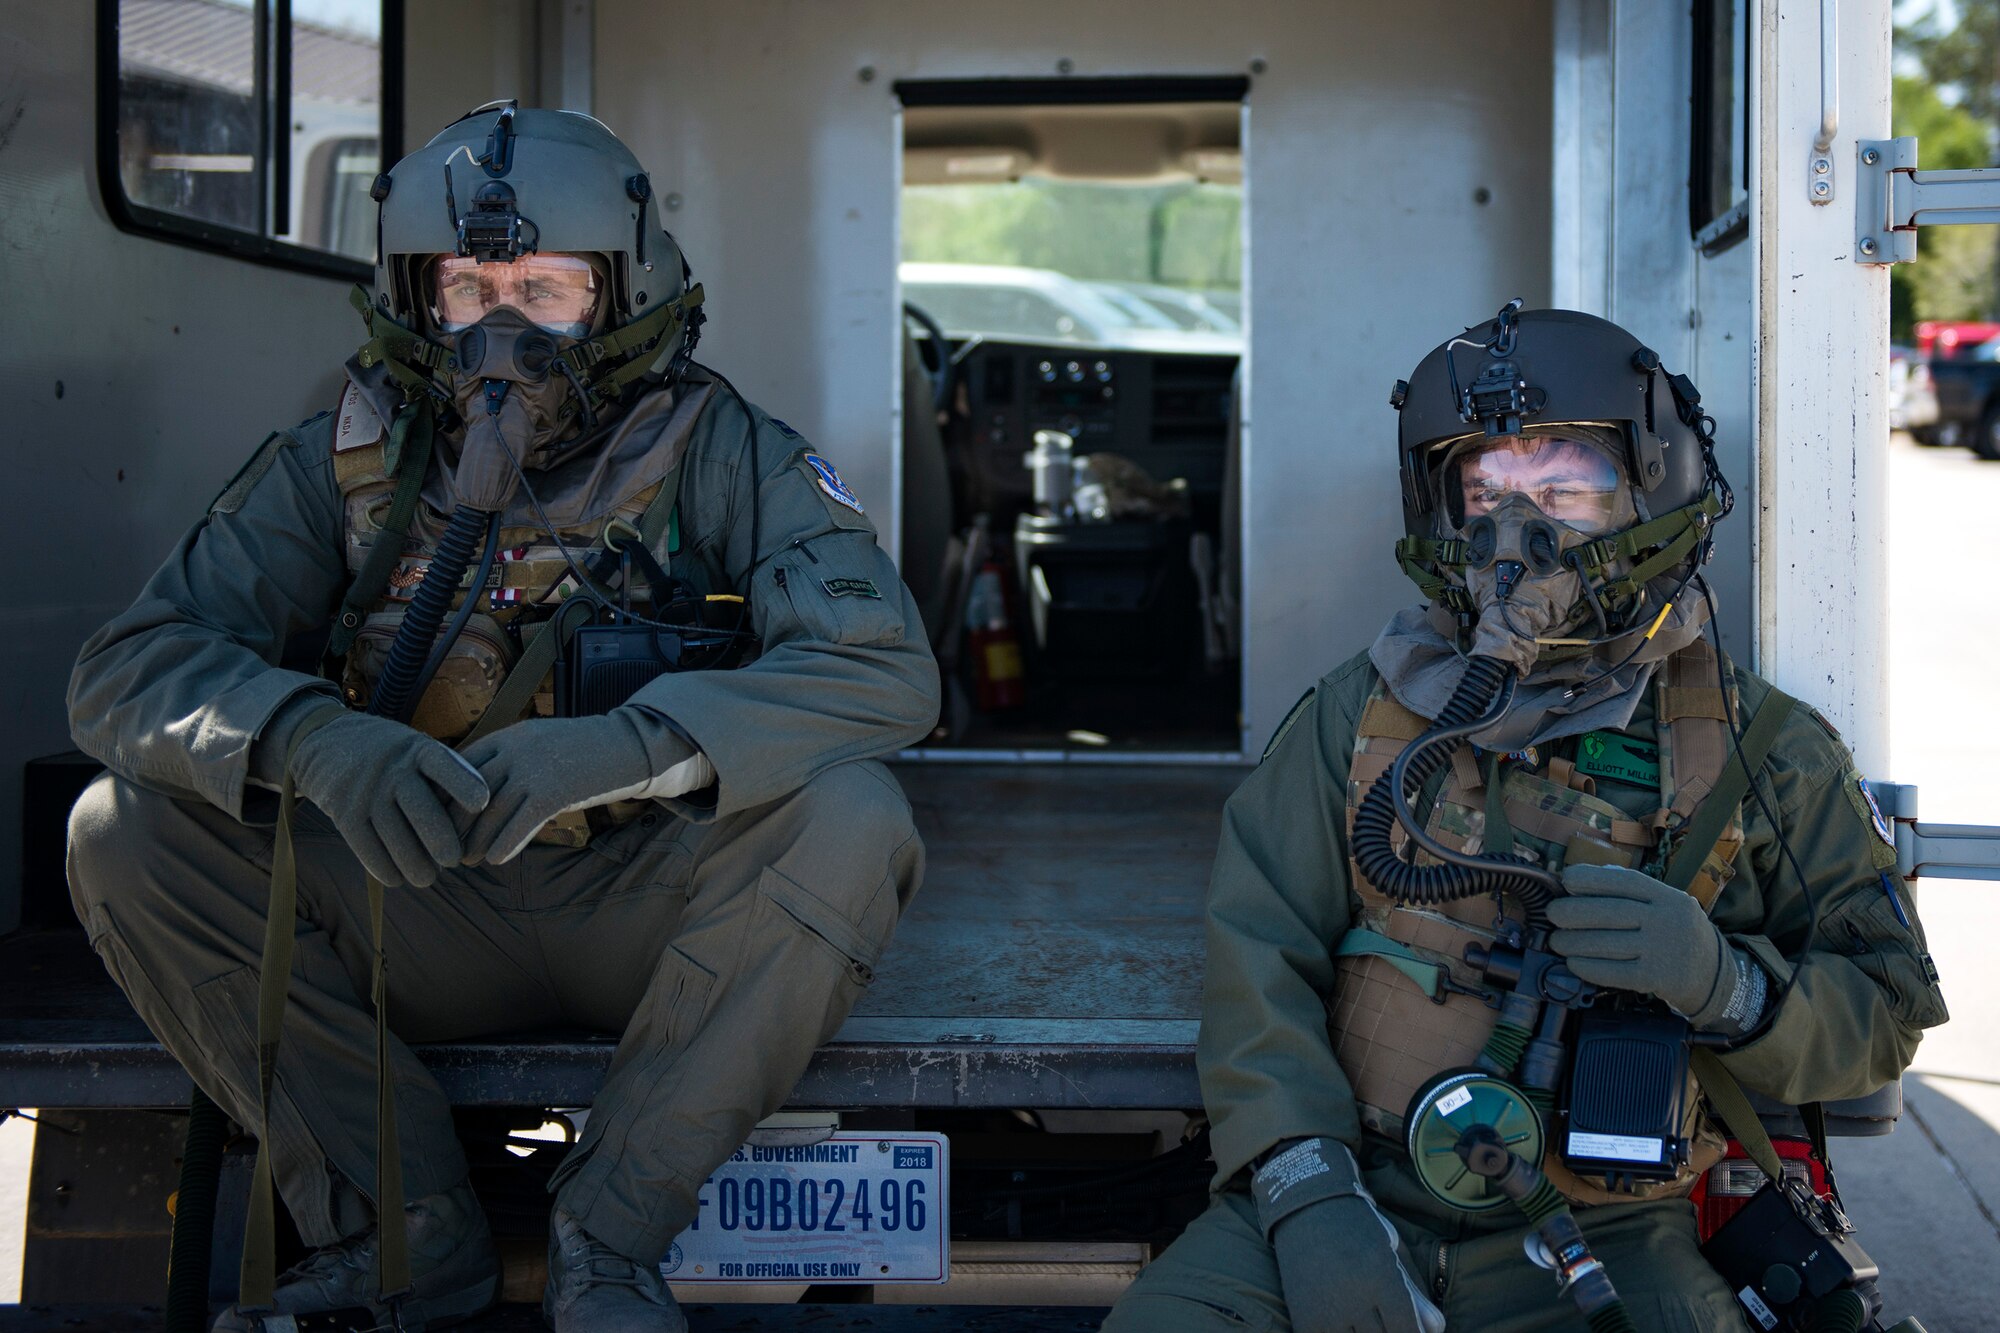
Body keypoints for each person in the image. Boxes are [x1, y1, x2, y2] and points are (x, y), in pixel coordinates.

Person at [65, 103, 939, 1333]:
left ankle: (610, 1241)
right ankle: (401, 1234)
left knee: (853, 814)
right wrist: (308, 737)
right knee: (121, 827)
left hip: (645, 909)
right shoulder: (338, 459)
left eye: (546, 286)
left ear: (626, 292)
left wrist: (641, 746)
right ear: (416, 301)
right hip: (404, 897)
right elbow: (128, 670)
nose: (504, 325)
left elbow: (885, 670)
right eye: (469, 288)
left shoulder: (725, 449)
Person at [1104, 303, 1948, 1332]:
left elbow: (1887, 1006)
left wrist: (1724, 987)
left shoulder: (1759, 748)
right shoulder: (1362, 712)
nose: (1518, 539)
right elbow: (1257, 958)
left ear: (1651, 492)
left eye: (1559, 492)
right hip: (1346, 1195)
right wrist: (1303, 1195)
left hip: (1609, 1225)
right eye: (1486, 496)